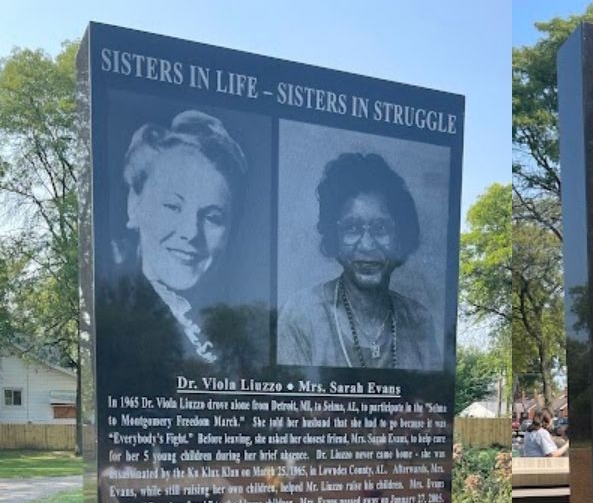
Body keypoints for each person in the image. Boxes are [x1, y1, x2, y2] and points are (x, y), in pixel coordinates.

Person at [101, 110, 260, 395]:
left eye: (212, 217)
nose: (191, 233)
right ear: (134, 204)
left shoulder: (232, 321)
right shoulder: (117, 306)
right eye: (173, 207)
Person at [278, 152, 440, 370]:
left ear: (400, 236)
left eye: (380, 228)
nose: (366, 245)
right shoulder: (303, 314)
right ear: (334, 236)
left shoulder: (418, 320)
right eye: (352, 228)